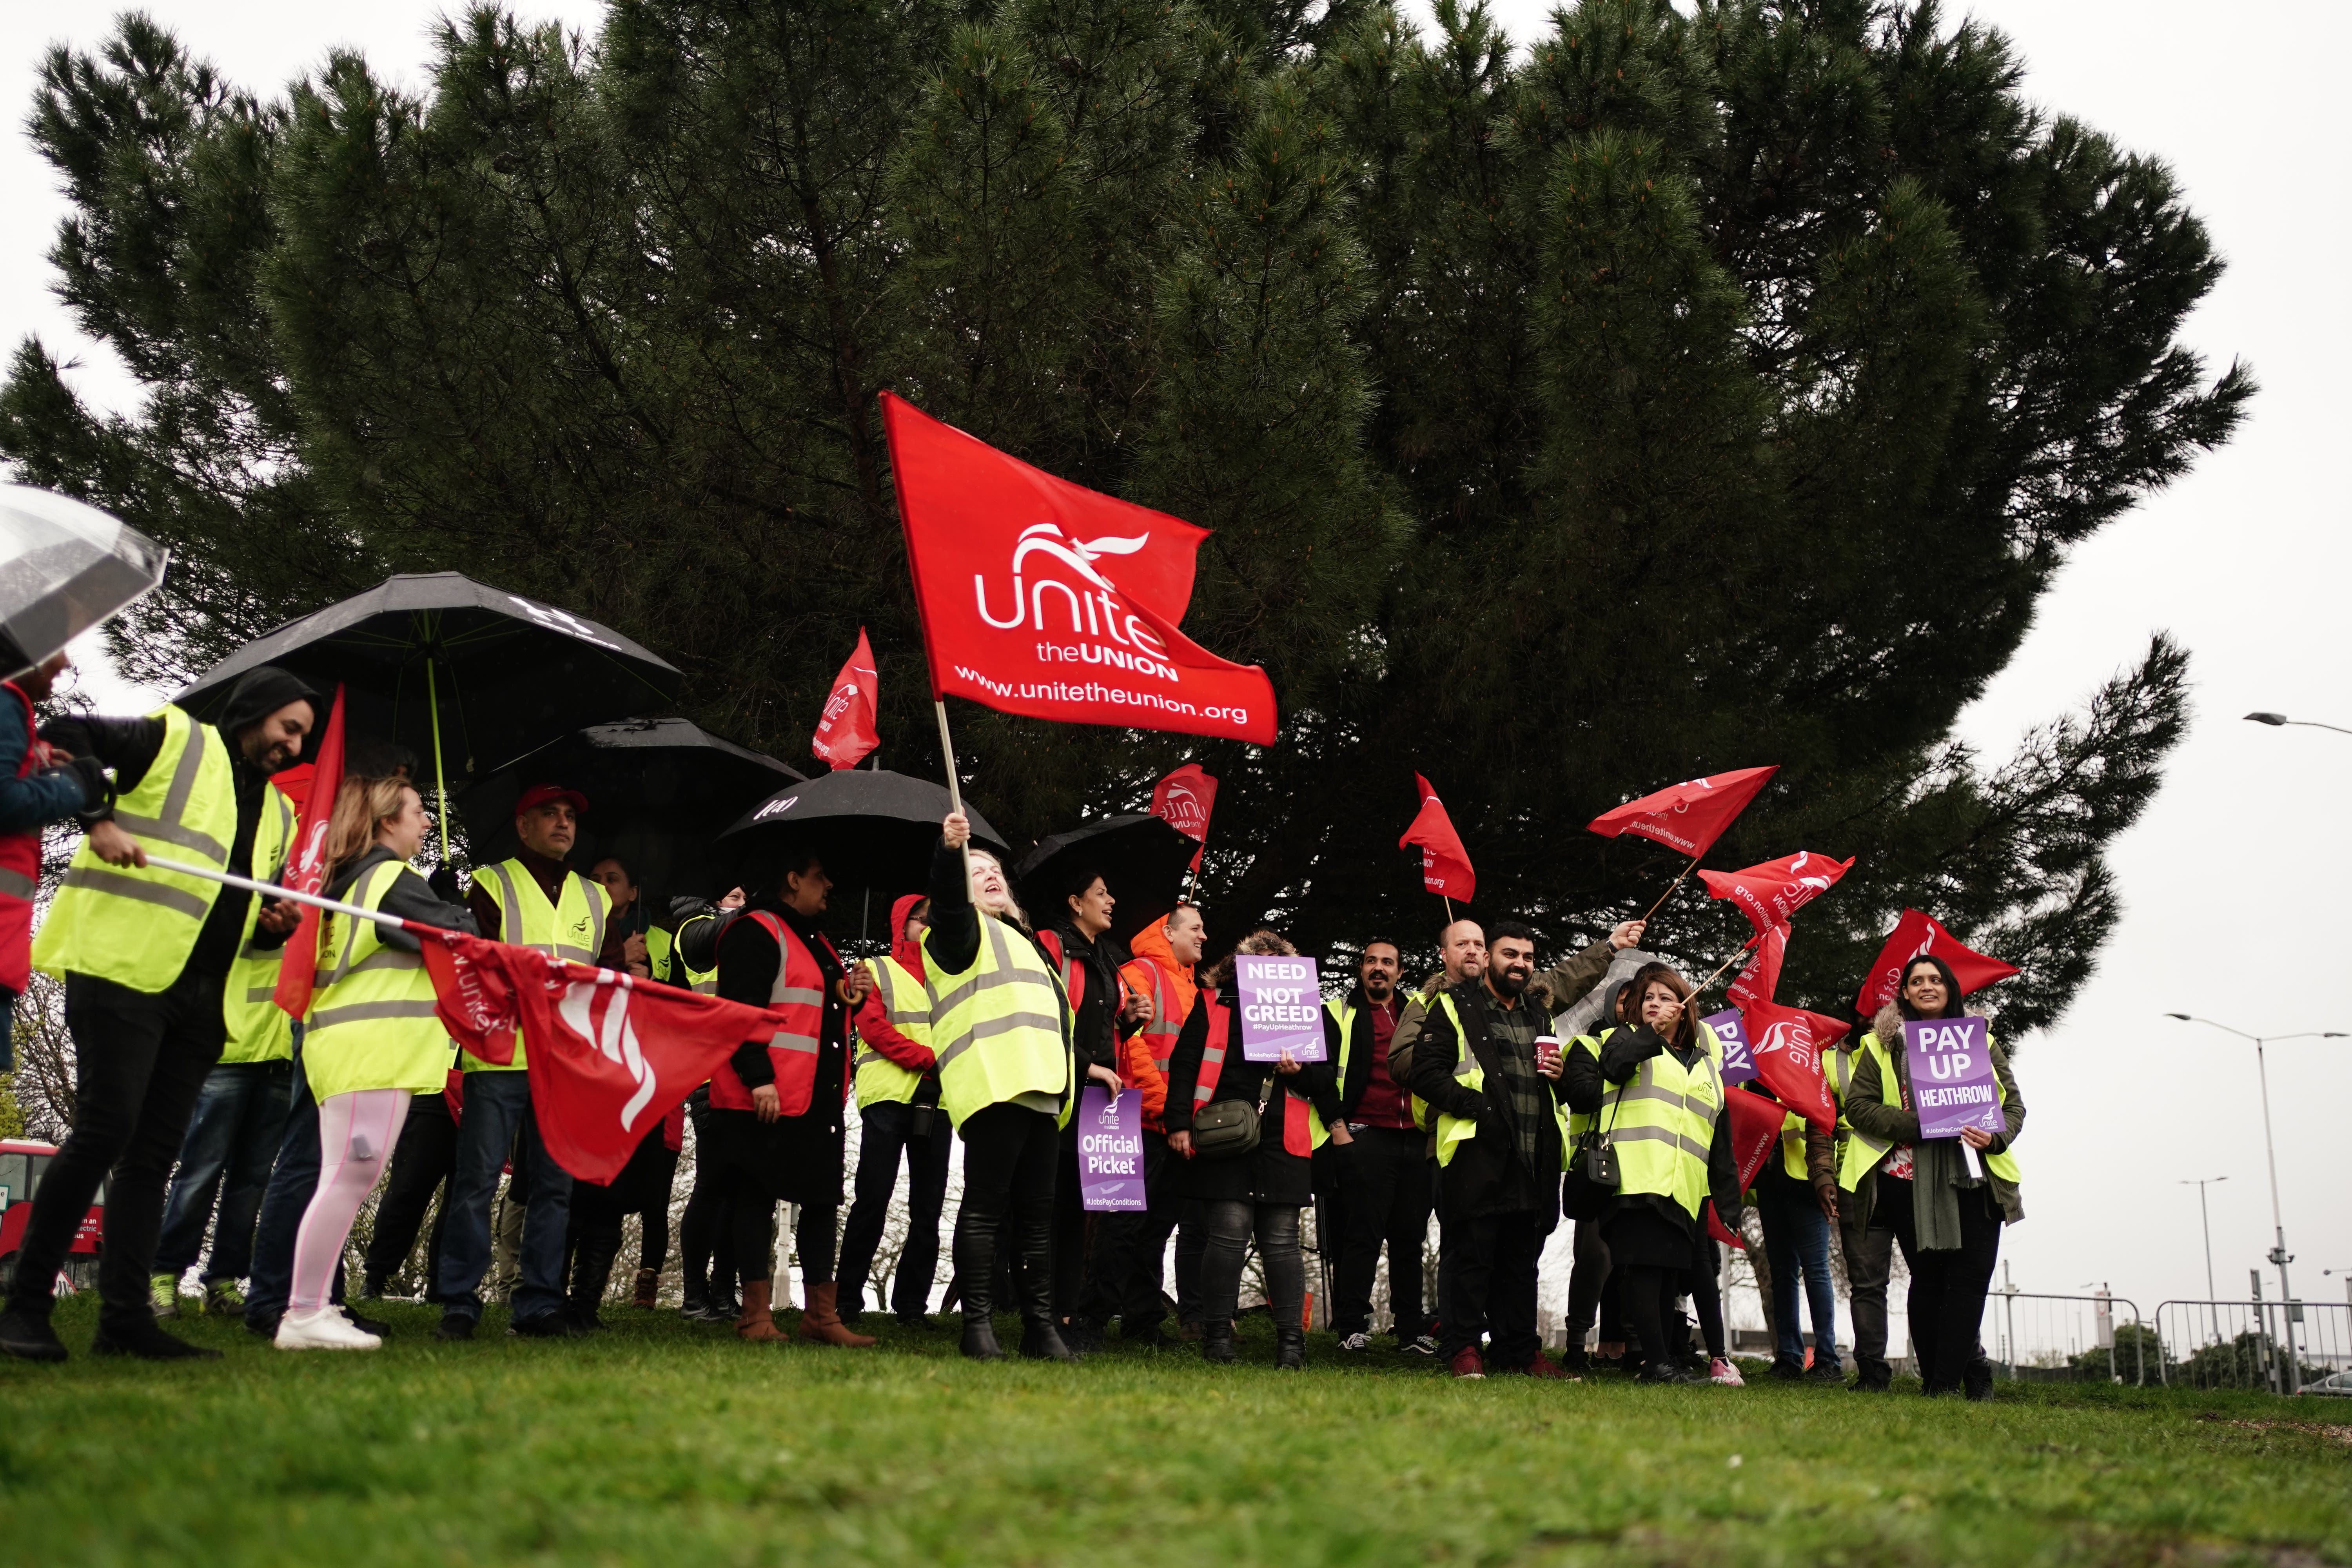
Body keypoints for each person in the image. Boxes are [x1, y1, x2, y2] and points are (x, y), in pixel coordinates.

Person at [0, 667, 316, 1363]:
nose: (293, 746)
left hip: (203, 995)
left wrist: (272, 927)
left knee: (154, 1156)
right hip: (119, 968)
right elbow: (61, 734)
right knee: (105, 1131)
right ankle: (24, 1307)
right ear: (253, 713)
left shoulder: (279, 813)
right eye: (287, 728)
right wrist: (98, 819)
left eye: (303, 737)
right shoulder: (175, 739)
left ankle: (125, 1321)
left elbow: (234, 909)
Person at [276, 777, 477, 1349]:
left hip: (354, 1051)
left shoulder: (356, 878)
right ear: (389, 821)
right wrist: (448, 904)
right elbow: (460, 933)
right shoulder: (388, 877)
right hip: (370, 1051)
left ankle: (311, 1310)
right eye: (419, 813)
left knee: (342, 1179)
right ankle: (305, 1313)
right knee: (347, 1180)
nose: (427, 823)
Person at [1403, 918, 1631, 1379]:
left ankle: (1520, 1351)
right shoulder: (1452, 1005)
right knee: (1471, 1256)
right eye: (1511, 955)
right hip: (1475, 1153)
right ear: (1488, 958)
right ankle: (1464, 1347)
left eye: (1528, 957)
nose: (1520, 964)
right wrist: (1479, 1107)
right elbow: (1423, 1072)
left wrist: (1560, 1073)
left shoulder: (1538, 1013)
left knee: (1520, 1264)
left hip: (1533, 1156)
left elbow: (1553, 1080)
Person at [437, 783, 610, 1339]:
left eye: (570, 816)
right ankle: (459, 1303)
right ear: (523, 826)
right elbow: (476, 969)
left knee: (554, 1188)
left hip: (566, 1062)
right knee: (477, 1183)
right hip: (500, 1057)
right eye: (549, 815)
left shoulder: (596, 896)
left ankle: (537, 1304)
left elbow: (608, 982)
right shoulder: (492, 882)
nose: (563, 824)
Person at [147, 763, 302, 1319]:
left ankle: (223, 1282)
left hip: (282, 1054)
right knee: (200, 1171)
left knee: (253, 1182)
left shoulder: (314, 894)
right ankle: (163, 1275)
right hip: (230, 1049)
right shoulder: (236, 887)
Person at [926, 811, 1078, 1363]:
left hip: (1041, 1093)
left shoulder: (1030, 943)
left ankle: (1039, 1329)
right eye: (977, 870)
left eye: (994, 869)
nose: (989, 874)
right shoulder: (961, 932)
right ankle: (978, 1327)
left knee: (1037, 1220)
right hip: (993, 1085)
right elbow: (946, 903)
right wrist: (950, 854)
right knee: (986, 1209)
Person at [707, 849, 873, 1347]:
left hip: (814, 1097)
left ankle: (821, 1317)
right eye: (820, 878)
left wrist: (853, 992)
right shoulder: (755, 930)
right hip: (766, 1095)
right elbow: (740, 1012)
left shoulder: (813, 938)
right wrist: (759, 1078)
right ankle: (755, 1317)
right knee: (754, 1200)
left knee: (822, 1201)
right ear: (792, 879)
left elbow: (813, 1008)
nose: (829, 888)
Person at [1842, 955, 2025, 1399]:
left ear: (1950, 988)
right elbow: (1858, 1108)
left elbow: (2015, 1107)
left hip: (1977, 1177)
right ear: (1904, 992)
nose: (1927, 986)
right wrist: (1921, 1123)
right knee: (1931, 1282)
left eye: (1936, 979)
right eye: (1917, 981)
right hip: (1906, 1181)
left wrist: (1995, 1136)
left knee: (1969, 1281)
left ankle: (1958, 1376)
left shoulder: (1982, 1040)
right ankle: (1943, 1382)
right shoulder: (1879, 1045)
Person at [1163, 929, 1345, 1368]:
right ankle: (1217, 1337)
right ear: (1240, 968)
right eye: (1257, 960)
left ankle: (1291, 1346)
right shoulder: (1213, 1003)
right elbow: (1185, 1064)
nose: (1267, 967)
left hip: (1285, 1141)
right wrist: (1178, 1123)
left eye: (1276, 960)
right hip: (1225, 1137)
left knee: (1281, 1243)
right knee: (1226, 1236)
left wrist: (1299, 1071)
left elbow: (1326, 1085)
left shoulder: (1313, 1014)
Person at [1560, 962, 1744, 1384]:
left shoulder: (1704, 1064)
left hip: (1684, 1187)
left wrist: (1728, 1202)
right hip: (1634, 1178)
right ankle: (1657, 1363)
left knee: (1667, 1275)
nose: (1656, 1005)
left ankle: (1663, 1362)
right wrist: (1649, 1033)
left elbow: (1718, 1135)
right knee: (1643, 1268)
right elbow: (1616, 1066)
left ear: (1685, 1007)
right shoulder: (1622, 1038)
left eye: (1666, 997)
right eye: (1648, 999)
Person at [1038, 867, 1146, 1346]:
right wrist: (1086, 1068)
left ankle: (1073, 1319)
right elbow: (1044, 1020)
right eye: (1102, 893)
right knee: (1057, 1207)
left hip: (1106, 1099)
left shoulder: (1108, 958)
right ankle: (1047, 1318)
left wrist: (1129, 1020)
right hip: (1063, 1090)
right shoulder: (1050, 945)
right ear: (1075, 902)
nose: (1112, 900)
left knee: (1094, 1209)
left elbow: (1102, 1028)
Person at [836, 895, 951, 1328]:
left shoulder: (947, 979)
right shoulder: (877, 968)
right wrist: (929, 1058)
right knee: (873, 1198)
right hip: (887, 1097)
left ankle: (912, 1307)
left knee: (929, 1207)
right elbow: (873, 1028)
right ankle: (847, 1299)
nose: (932, 928)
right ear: (904, 924)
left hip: (936, 1099)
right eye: (925, 921)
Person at [1325, 938, 1436, 1356]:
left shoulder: (1417, 1013)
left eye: (1387, 962)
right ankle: (1351, 1326)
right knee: (1362, 1237)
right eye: (1371, 961)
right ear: (1361, 969)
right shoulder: (1339, 1012)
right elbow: (1321, 1072)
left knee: (1410, 1239)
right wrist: (1340, 1130)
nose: (1379, 968)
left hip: (1416, 1138)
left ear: (1400, 972)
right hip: (1366, 1134)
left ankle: (1410, 1332)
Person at [1104, 904, 1206, 1343]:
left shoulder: (1196, 989)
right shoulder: (1138, 973)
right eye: (1196, 928)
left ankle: (1141, 1319)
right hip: (1134, 1117)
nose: (1204, 936)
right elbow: (1135, 1048)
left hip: (1169, 1124)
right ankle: (1095, 1317)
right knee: (1123, 1225)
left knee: (1157, 1228)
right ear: (1168, 932)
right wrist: (1169, 1109)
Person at [0, 650, 103, 1053]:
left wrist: (37, 764)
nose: (65, 663)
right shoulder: (7, 700)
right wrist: (74, 784)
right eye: (58, 645)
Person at [1744, 1081, 1840, 1382]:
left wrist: (1825, 1177)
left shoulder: (1804, 1066)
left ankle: (1827, 1360)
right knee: (1782, 1273)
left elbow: (1823, 1122)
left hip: (1805, 1182)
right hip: (1771, 1185)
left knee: (1816, 1271)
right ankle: (1788, 1358)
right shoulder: (1755, 1077)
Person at [361, 1071, 460, 1300]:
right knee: (406, 1191)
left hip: (484, 1097)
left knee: (462, 1204)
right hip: (432, 1092)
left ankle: (442, 1286)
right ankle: (375, 1277)